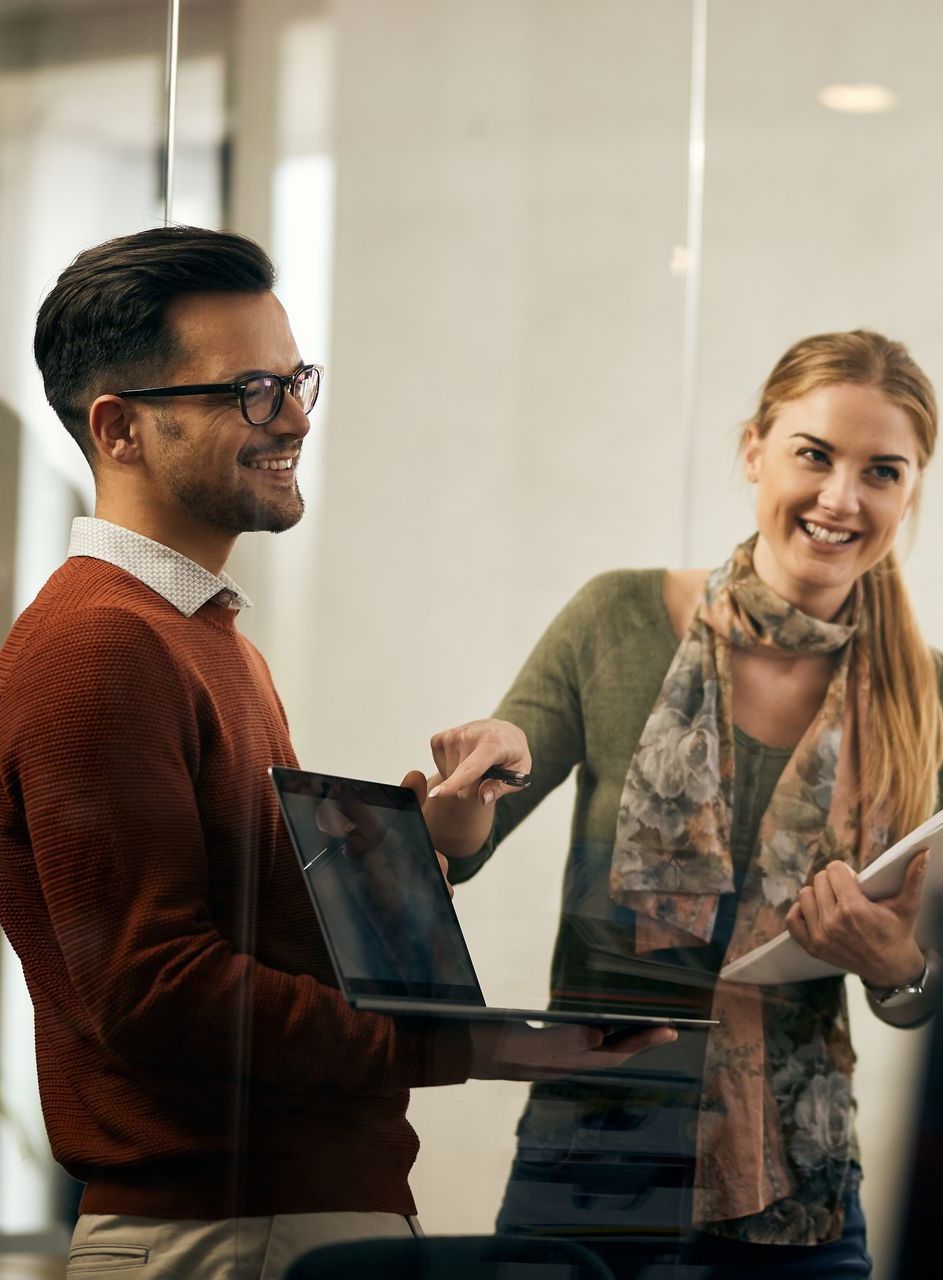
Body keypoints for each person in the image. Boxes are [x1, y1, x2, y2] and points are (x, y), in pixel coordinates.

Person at [0, 227, 670, 1280]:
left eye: (297, 379)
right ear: (120, 427)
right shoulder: (100, 645)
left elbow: (262, 924)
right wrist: (476, 1045)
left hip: (281, 1221)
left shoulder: (206, 637)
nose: (297, 417)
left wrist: (429, 834)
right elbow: (160, 991)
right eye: (253, 390)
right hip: (220, 1235)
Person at [421, 329, 943, 1277]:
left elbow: (931, 990)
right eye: (814, 454)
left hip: (797, 1197)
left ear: (911, 492)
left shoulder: (939, 699)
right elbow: (462, 845)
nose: (842, 498)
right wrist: (469, 785)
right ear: (754, 450)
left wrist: (893, 964)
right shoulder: (617, 619)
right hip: (590, 1166)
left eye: (881, 472)